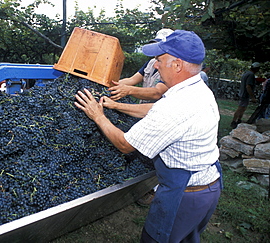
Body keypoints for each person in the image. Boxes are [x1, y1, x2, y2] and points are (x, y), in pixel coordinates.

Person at [75, 30, 222, 243]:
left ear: (178, 65)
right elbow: (154, 111)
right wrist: (116, 105)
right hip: (208, 185)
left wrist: (98, 116)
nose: (154, 65)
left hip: (184, 195)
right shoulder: (197, 89)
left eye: (159, 60)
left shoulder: (176, 106)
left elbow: (125, 144)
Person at [108, 28, 174, 103]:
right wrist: (109, 85)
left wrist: (129, 90)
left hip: (156, 110)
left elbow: (157, 93)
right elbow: (132, 80)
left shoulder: (173, 67)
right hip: (141, 108)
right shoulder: (151, 63)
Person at [231, 62, 261, 128]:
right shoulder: (251, 75)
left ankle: (238, 120)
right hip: (244, 94)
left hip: (242, 93)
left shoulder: (247, 73)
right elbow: (248, 86)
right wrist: (252, 97)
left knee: (243, 108)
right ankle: (234, 121)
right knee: (240, 108)